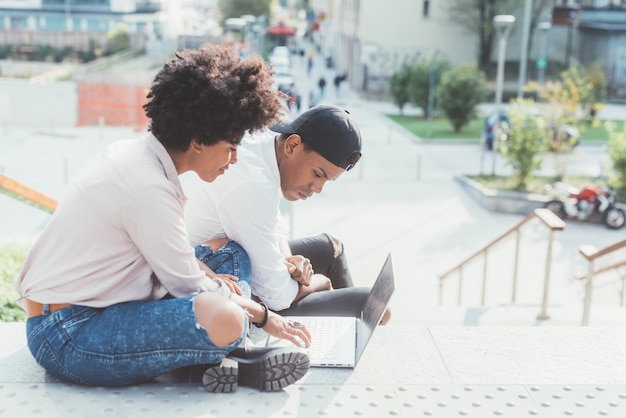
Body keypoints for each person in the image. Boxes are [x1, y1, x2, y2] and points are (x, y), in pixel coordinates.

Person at [14, 44, 312, 394]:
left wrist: (213, 278)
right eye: (231, 147)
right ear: (199, 139)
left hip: (107, 303)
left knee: (231, 253)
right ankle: (235, 352)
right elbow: (189, 287)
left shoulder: (137, 155)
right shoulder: (148, 188)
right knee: (227, 317)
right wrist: (262, 316)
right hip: (69, 331)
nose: (234, 159)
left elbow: (178, 267)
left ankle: (218, 354)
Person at [182, 105, 391, 322]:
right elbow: (277, 296)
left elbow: (275, 224)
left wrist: (288, 259)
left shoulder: (263, 148)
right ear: (292, 145)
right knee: (376, 306)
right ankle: (333, 335)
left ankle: (339, 335)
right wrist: (319, 282)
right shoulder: (252, 182)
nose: (318, 188)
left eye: (327, 180)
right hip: (211, 279)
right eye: (317, 174)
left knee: (331, 247)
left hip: (231, 260)